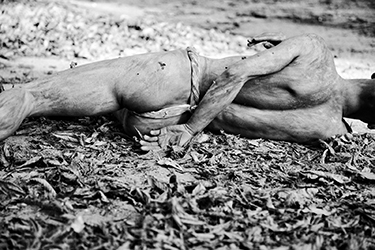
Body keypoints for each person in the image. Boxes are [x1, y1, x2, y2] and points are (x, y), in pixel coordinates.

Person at [0, 33, 373, 150]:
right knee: (100, 108)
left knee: (31, 96)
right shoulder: (331, 132)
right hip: (159, 125)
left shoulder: (315, 53)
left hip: (178, 78)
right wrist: (190, 128)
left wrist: (191, 129)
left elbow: (237, 72)